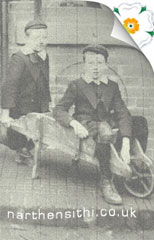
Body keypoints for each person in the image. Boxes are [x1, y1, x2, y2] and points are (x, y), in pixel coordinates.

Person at [53, 44, 132, 205]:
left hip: (106, 122)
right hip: (86, 123)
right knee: (105, 131)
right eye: (91, 63)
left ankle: (132, 166)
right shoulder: (76, 85)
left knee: (139, 122)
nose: (95, 68)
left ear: (106, 65)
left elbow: (122, 112)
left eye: (99, 63)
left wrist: (126, 143)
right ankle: (106, 181)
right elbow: (59, 110)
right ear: (84, 65)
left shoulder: (112, 86)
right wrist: (74, 123)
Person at [1, 19, 51, 165]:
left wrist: (47, 104)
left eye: (44, 37)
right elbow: (9, 86)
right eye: (37, 38)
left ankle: (24, 151)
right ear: (27, 38)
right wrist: (5, 113)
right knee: (18, 131)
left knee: (36, 131)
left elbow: (44, 81)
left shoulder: (44, 55)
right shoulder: (19, 58)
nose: (42, 41)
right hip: (21, 105)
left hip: (37, 103)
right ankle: (22, 151)